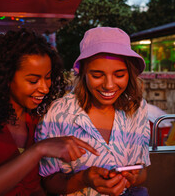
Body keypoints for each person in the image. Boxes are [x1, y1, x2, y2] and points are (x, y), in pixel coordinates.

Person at [0, 29, 99, 196]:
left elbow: (40, 186)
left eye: (48, 77)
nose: (45, 88)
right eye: (33, 80)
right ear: (6, 77)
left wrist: (86, 178)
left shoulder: (38, 116)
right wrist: (39, 150)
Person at [35, 27, 150, 196]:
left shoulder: (137, 108)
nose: (109, 85)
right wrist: (83, 179)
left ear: (130, 73)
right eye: (97, 75)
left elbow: (142, 172)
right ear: (83, 73)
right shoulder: (58, 112)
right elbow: (48, 182)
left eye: (119, 75)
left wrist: (132, 176)